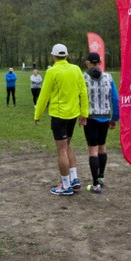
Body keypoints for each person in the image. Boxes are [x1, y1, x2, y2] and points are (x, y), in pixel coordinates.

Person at [34, 43, 88, 196]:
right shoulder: (76, 69)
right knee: (68, 145)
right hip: (73, 114)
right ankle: (74, 178)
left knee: (62, 149)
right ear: (67, 55)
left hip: (59, 116)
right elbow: (83, 92)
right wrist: (84, 113)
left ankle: (65, 185)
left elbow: (44, 95)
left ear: (54, 56)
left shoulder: (52, 71)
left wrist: (37, 114)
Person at [81, 52, 119, 193]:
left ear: (88, 63)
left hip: (90, 118)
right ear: (100, 62)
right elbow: (115, 99)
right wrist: (114, 118)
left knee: (93, 150)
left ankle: (95, 183)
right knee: (102, 147)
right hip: (104, 117)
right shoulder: (108, 78)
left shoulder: (83, 78)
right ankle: (101, 177)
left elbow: (80, 97)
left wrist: (81, 114)